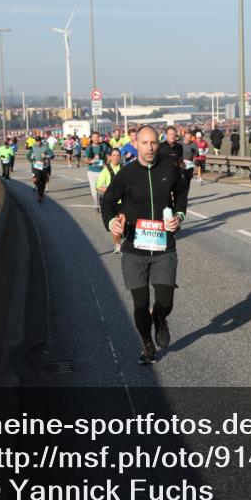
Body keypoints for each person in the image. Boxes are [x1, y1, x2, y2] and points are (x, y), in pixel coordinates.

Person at [103, 126, 189, 364]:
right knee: (140, 304)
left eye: (153, 143)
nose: (149, 147)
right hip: (134, 249)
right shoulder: (127, 173)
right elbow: (108, 201)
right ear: (136, 144)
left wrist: (179, 216)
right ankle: (147, 344)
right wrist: (111, 222)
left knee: (165, 301)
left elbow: (181, 194)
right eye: (144, 143)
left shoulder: (169, 169)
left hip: (163, 247)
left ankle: (160, 318)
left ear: (157, 144)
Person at [97, 148, 125, 253]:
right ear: (110, 157)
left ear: (120, 157)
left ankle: (123, 239)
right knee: (115, 226)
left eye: (118, 156)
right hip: (111, 203)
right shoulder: (105, 170)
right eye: (114, 155)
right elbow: (98, 186)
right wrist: (110, 189)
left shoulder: (125, 169)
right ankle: (118, 245)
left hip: (123, 202)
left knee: (123, 225)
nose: (116, 158)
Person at [84, 132, 111, 209]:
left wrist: (106, 164)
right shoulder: (89, 148)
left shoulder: (104, 146)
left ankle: (102, 201)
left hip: (102, 171)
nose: (96, 139)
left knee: (104, 188)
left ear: (99, 137)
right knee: (94, 189)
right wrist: (91, 161)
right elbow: (85, 160)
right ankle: (96, 203)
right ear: (91, 139)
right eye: (94, 137)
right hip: (92, 171)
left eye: (97, 137)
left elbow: (108, 156)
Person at [28, 135, 54, 203]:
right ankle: (39, 192)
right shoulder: (33, 147)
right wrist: (32, 160)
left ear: (41, 141)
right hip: (36, 166)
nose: (38, 142)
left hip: (44, 166)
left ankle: (40, 195)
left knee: (43, 181)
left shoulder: (45, 147)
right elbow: (28, 155)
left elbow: (52, 155)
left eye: (39, 141)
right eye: (36, 141)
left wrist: (46, 156)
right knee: (37, 180)